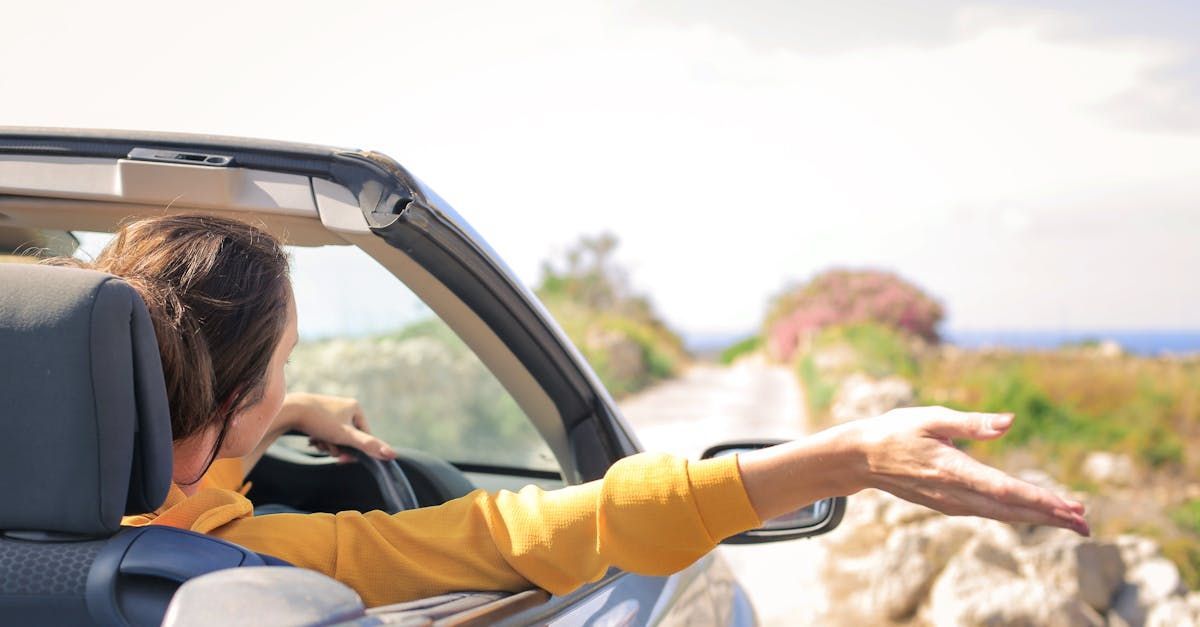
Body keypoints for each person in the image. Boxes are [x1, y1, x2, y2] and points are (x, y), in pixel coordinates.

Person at [58, 214, 1088, 608]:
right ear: (234, 402)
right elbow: (540, 525)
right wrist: (847, 459)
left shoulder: (78, 504)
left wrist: (287, 411)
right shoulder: (246, 568)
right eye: (284, 366)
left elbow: (183, 463)